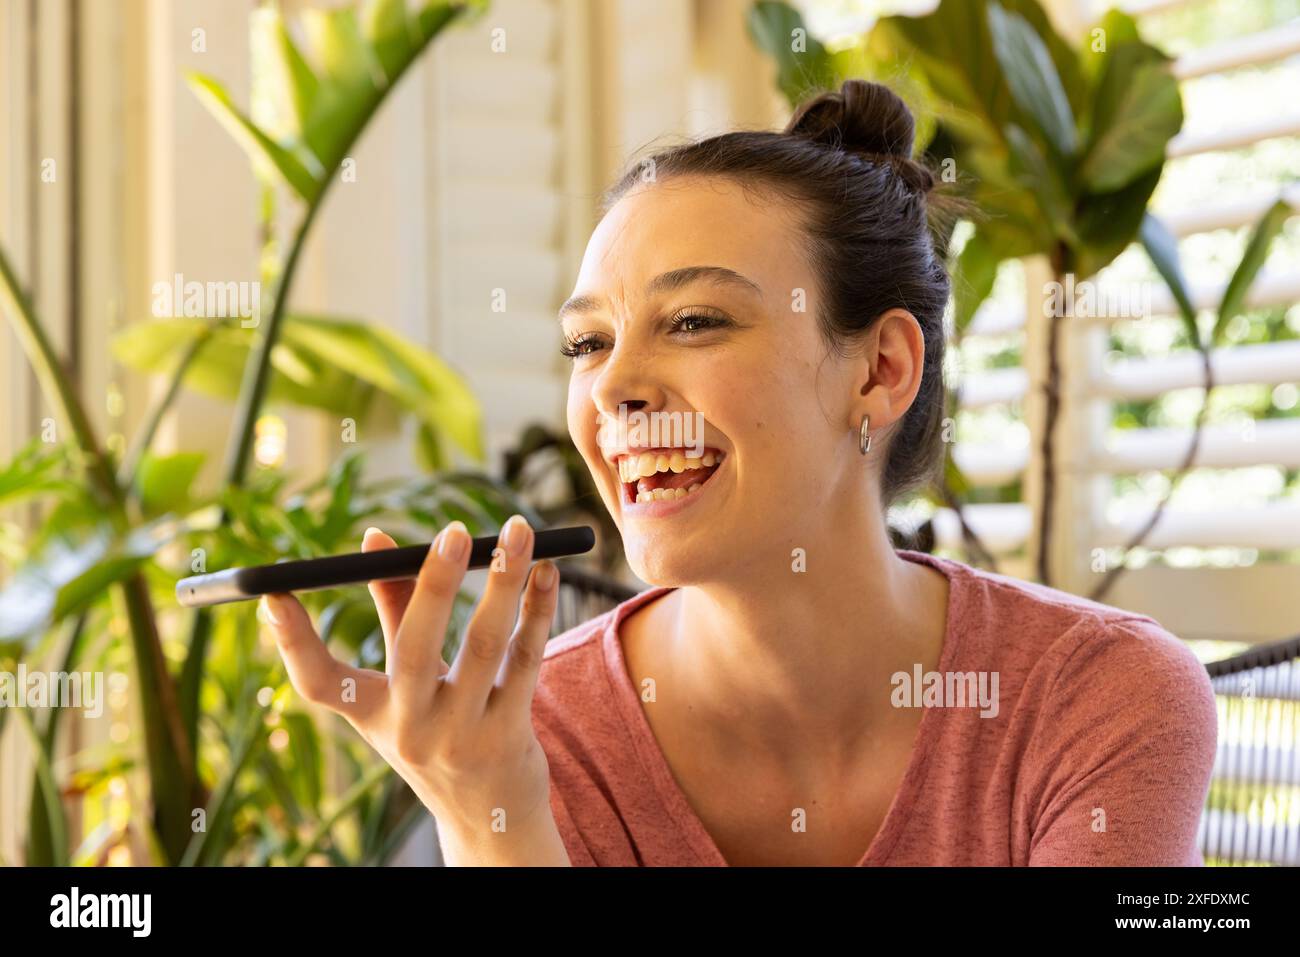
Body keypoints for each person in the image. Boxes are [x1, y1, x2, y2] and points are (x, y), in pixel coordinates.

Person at [260, 79, 1219, 866]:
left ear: (881, 369)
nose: (614, 389)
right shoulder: (530, 738)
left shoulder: (1099, 699)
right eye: (587, 342)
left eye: (694, 321)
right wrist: (489, 821)